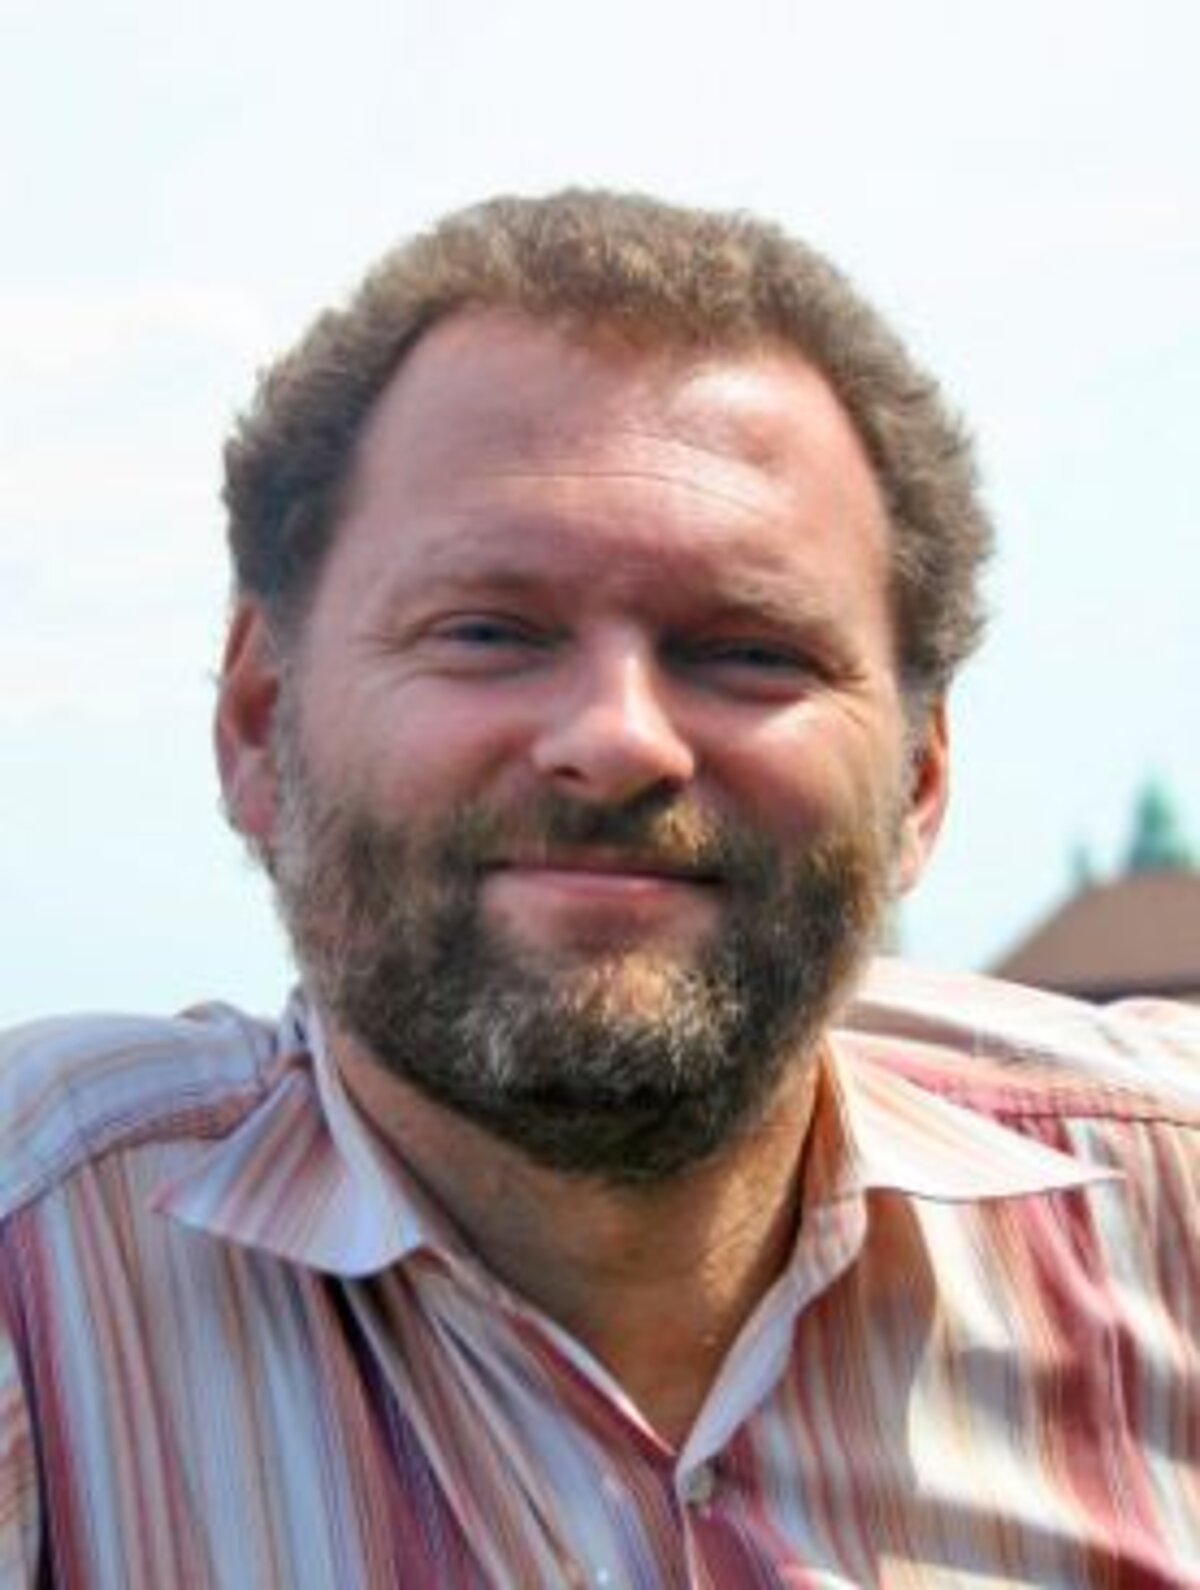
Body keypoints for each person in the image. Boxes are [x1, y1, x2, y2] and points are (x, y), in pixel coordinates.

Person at [1, 191, 1197, 1589]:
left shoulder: (1167, 1223)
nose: (620, 738)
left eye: (750, 650)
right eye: (489, 631)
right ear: (261, 724)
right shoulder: (35, 1288)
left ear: (921, 781)